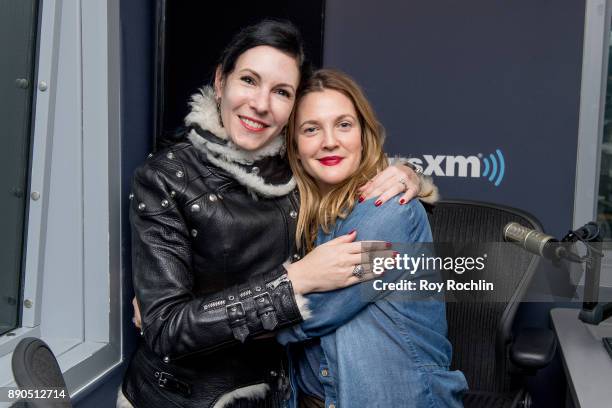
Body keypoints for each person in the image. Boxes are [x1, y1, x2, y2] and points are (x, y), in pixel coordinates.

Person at [119, 20, 432, 408]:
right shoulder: (169, 176)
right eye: (249, 80)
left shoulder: (372, 200)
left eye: (281, 91)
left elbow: (330, 302)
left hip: (300, 391)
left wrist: (408, 175)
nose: (262, 103)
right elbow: (167, 327)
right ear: (220, 82)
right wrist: (295, 280)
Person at [277, 69, 468, 407]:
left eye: (344, 125)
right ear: (293, 143)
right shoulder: (298, 216)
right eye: (311, 129)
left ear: (363, 134)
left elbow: (317, 310)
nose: (330, 141)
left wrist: (210, 319)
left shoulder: (390, 212)